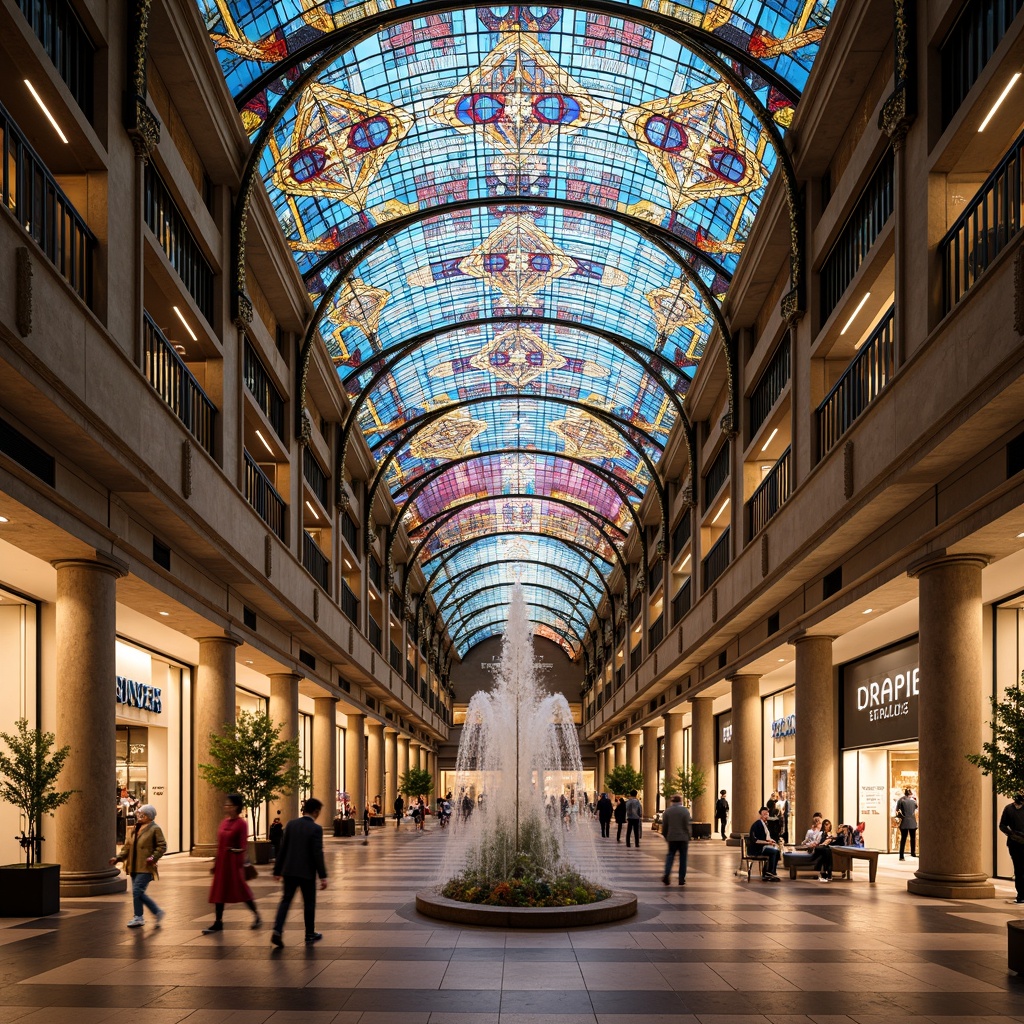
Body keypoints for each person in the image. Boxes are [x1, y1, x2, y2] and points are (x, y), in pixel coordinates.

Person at [271, 797, 329, 947]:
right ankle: (309, 933)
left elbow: (283, 849)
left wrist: (277, 870)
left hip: (289, 871)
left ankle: (277, 930)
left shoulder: (291, 824)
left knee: (285, 901)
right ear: (315, 812)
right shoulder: (316, 829)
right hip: (306, 873)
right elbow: (317, 853)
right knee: (309, 903)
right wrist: (323, 876)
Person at [203, 793, 261, 934]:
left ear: (236, 807)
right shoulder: (224, 822)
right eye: (226, 804)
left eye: (229, 804)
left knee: (241, 890)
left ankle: (256, 916)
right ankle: (218, 922)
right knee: (219, 892)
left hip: (234, 863)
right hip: (222, 862)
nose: (226, 807)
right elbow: (220, 844)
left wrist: (236, 853)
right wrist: (216, 862)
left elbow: (242, 845)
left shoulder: (241, 824)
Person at [109, 803, 166, 928]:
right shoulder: (134, 828)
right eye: (139, 814)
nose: (140, 816)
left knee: (137, 891)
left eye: (143, 814)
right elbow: (127, 846)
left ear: (149, 816)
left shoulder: (155, 829)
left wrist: (153, 857)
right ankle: (140, 916)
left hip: (146, 866)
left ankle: (154, 912)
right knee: (137, 892)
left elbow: (162, 846)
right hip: (133, 866)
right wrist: (118, 858)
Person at [998, 792, 1024, 905]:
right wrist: (1012, 834)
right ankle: (1021, 895)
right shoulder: (1009, 808)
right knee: (1019, 869)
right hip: (1014, 843)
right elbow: (1002, 825)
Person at [660, 794, 692, 885]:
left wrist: (665, 835)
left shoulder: (667, 811)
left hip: (672, 838)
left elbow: (664, 826)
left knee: (670, 856)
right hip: (683, 838)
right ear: (680, 801)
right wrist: (689, 835)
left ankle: (667, 874)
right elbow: (687, 825)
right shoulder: (685, 811)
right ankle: (681, 878)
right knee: (683, 858)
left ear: (672, 801)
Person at [749, 807, 781, 880]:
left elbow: (766, 837)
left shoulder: (765, 824)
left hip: (763, 846)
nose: (766, 816)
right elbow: (755, 840)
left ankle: (769, 871)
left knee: (777, 851)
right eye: (764, 814)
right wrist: (767, 842)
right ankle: (769, 872)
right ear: (760, 815)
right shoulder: (757, 825)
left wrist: (771, 841)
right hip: (757, 849)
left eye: (767, 814)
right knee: (774, 852)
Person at [896, 788, 918, 860]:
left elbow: (897, 811)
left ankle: (901, 855)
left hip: (904, 821)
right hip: (912, 821)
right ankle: (913, 852)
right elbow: (916, 808)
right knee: (913, 838)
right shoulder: (913, 801)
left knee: (903, 838)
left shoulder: (901, 800)